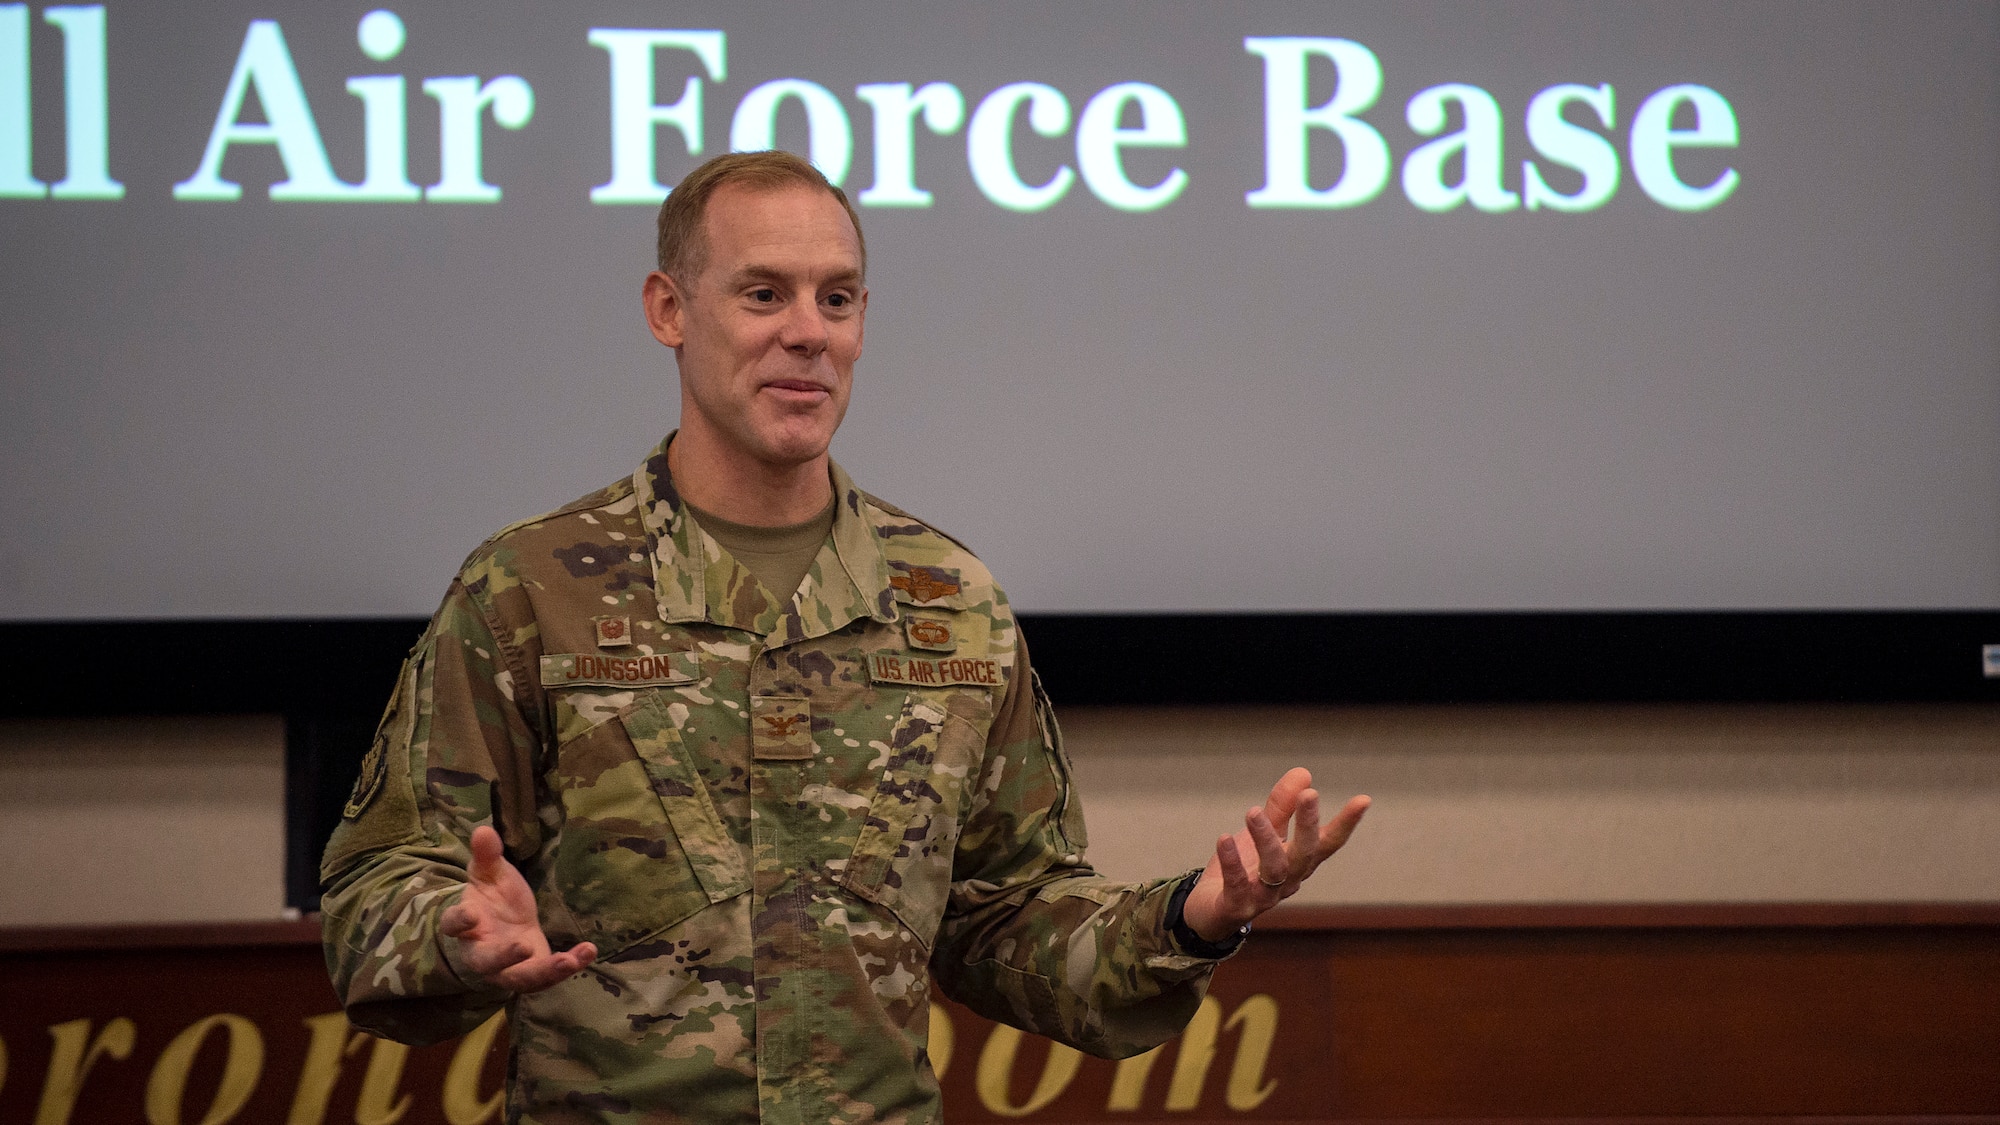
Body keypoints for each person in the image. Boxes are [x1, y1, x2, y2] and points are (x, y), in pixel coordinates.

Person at [319, 150, 1369, 1125]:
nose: (807, 332)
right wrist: (451, 932)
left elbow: (1004, 919)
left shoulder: (949, 602)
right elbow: (379, 885)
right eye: (762, 293)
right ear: (668, 310)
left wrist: (1192, 915)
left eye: (836, 298)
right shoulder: (530, 589)